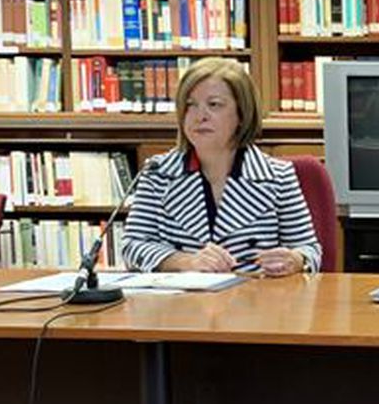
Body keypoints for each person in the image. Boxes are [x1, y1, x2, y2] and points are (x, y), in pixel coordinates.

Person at [122, 58, 322, 276]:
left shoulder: (277, 177)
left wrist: (295, 259)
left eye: (214, 105)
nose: (200, 116)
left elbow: (310, 250)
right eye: (190, 105)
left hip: (256, 303)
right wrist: (186, 261)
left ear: (241, 114)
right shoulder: (158, 173)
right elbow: (132, 247)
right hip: (182, 304)